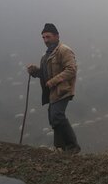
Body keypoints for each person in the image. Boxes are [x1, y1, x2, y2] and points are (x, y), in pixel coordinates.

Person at [27, 23, 81, 154]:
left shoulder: (64, 50)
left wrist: (53, 81)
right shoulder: (46, 56)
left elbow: (71, 69)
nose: (46, 40)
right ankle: (60, 148)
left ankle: (73, 146)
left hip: (63, 89)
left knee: (57, 115)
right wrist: (35, 71)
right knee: (53, 119)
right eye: (44, 38)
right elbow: (45, 74)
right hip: (52, 92)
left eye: (48, 37)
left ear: (57, 36)